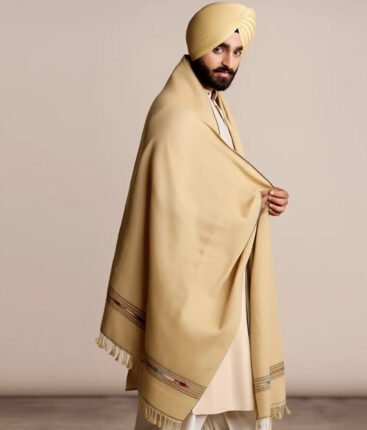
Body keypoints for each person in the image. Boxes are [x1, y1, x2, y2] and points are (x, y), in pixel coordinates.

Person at [95, 3, 291, 430]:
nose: (228, 62)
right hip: (190, 283)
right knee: (191, 401)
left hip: (222, 277)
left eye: (237, 52)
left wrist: (260, 199)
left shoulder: (212, 106)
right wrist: (248, 202)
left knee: (225, 395)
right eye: (219, 49)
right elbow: (175, 207)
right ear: (198, 44)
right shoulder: (176, 113)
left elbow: (216, 184)